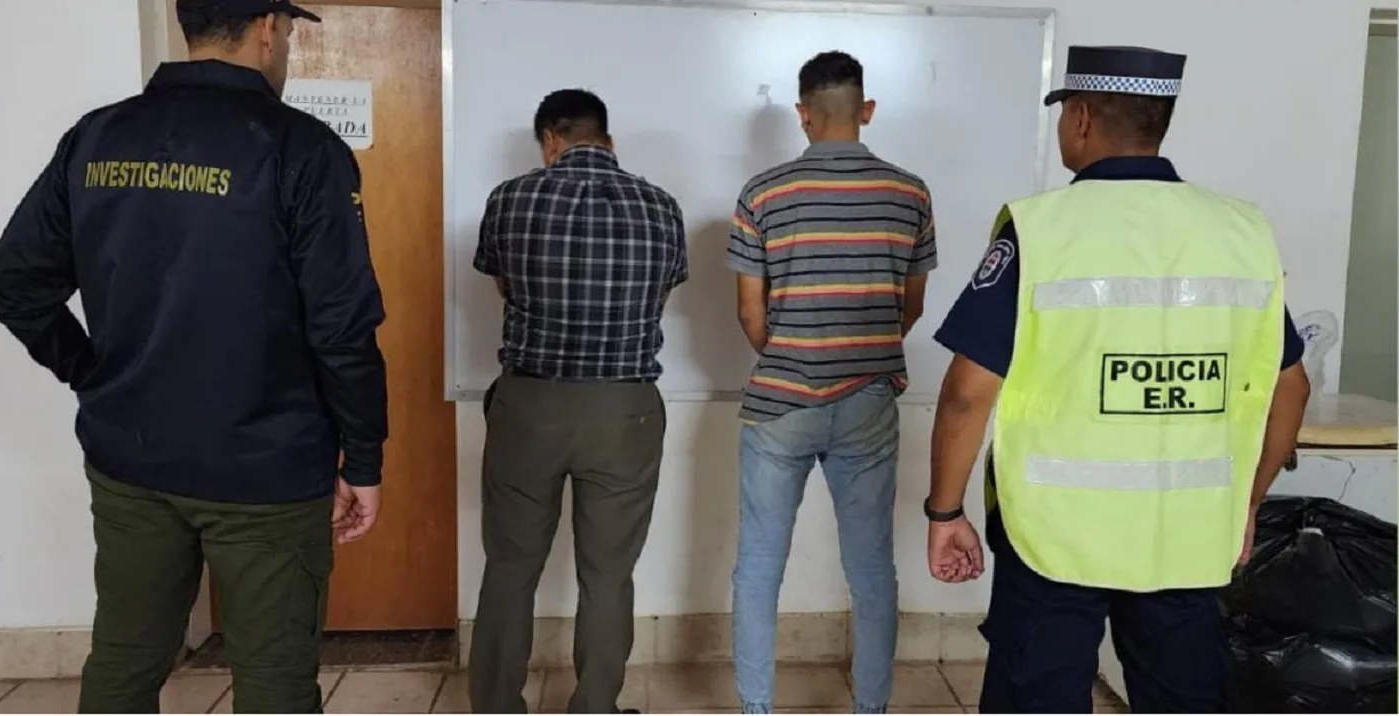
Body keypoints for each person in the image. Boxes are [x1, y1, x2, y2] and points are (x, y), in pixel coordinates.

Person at [0, 0, 388, 711]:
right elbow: (342, 328)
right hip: (265, 468)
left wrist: (92, 374)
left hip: (130, 458)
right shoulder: (301, 148)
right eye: (290, 30)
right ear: (268, 28)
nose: (287, 45)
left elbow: (14, 285)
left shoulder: (97, 136)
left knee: (125, 658)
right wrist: (363, 459)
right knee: (274, 679)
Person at [925, 46, 1312, 713]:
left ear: (1079, 117)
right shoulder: (1242, 232)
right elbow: (1291, 386)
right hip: (1187, 534)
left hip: (1053, 535)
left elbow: (967, 394)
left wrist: (945, 511)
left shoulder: (1040, 231)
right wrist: (1245, 503)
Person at [727, 51, 937, 714]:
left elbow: (750, 314)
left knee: (759, 567)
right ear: (866, 110)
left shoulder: (762, 194)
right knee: (872, 569)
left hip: (779, 403)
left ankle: (756, 708)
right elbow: (911, 306)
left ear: (803, 113)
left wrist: (792, 355)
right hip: (869, 401)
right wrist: (862, 352)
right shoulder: (910, 193)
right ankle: (870, 707)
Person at [468, 88, 686, 714]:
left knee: (510, 568)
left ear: (549, 140)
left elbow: (505, 285)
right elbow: (659, 296)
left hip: (529, 406)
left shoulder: (509, 198)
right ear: (607, 140)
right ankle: (595, 706)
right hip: (624, 410)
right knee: (609, 574)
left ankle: (496, 707)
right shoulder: (661, 206)